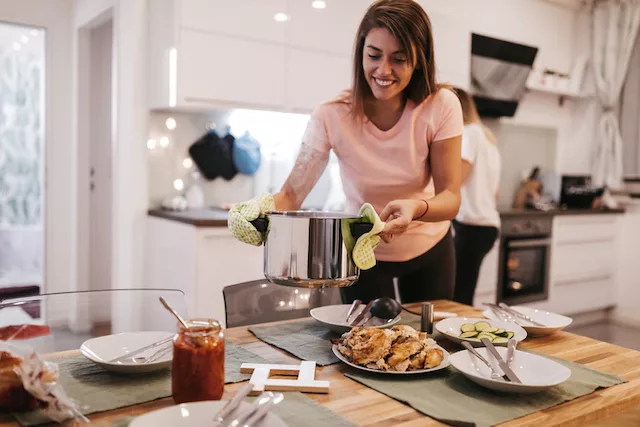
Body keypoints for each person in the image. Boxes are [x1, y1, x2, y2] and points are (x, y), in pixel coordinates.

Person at [273, 0, 464, 304]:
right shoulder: (331, 115)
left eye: (399, 59)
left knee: (431, 344)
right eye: (374, 55)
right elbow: (291, 195)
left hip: (431, 248)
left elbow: (450, 197)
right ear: (361, 51)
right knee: (364, 346)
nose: (383, 70)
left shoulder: (441, 105)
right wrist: (255, 212)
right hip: (363, 252)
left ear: (419, 61)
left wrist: (416, 209)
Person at [451, 87, 501, 306]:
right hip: (486, 226)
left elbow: (455, 181)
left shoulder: (469, 134)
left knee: (458, 297)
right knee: (462, 292)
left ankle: (461, 339)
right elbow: (496, 192)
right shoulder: (488, 138)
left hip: (471, 227)